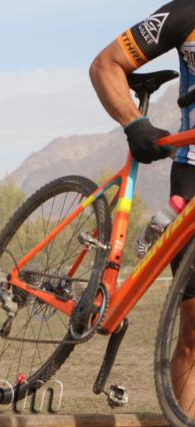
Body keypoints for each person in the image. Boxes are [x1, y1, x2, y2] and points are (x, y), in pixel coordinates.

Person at [89, 0, 195, 415]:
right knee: (193, 336)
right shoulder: (186, 13)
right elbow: (106, 65)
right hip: (192, 173)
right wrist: (135, 124)